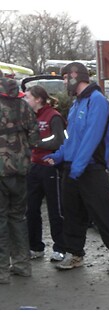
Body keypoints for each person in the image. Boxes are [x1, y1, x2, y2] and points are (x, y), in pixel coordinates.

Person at [43, 62, 109, 272]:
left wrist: (76, 168)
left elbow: (91, 139)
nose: (63, 83)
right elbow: (72, 138)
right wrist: (59, 156)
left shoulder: (97, 101)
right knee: (72, 214)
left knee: (102, 213)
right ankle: (75, 254)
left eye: (64, 78)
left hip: (91, 169)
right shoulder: (76, 105)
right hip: (73, 167)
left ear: (74, 76)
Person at [0, 78, 40, 284]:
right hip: (21, 171)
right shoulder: (24, 106)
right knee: (18, 217)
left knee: (1, 220)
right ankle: (22, 265)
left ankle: (2, 272)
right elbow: (35, 138)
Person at [24, 85, 66, 262]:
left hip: (50, 166)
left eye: (28, 97)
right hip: (33, 166)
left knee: (55, 209)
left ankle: (61, 248)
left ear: (38, 99)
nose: (25, 100)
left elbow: (60, 140)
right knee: (31, 208)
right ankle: (35, 246)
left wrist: (36, 143)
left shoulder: (54, 117)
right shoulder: (30, 116)